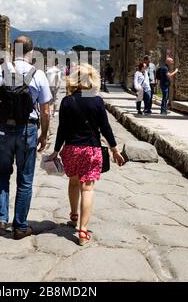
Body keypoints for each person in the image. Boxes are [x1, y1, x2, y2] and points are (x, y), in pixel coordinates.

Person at [0, 36, 52, 240]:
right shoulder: (38, 75)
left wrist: (3, 106)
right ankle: (20, 226)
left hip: (4, 130)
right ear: (31, 52)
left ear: (13, 50)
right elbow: (45, 111)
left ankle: (0, 219)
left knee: (2, 174)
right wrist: (44, 135)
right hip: (27, 130)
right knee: (25, 178)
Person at [49, 63, 124, 246]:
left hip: (71, 149)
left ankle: (74, 215)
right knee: (87, 189)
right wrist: (114, 150)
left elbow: (62, 129)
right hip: (91, 149)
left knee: (73, 182)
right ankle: (83, 231)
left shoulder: (67, 101)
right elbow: (105, 128)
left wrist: (56, 150)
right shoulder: (97, 101)